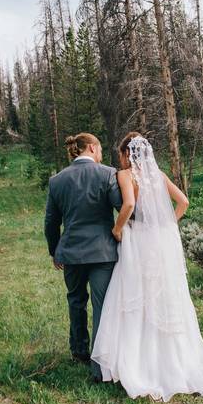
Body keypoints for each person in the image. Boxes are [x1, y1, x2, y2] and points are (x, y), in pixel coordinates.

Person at [90, 132, 203, 401]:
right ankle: (171, 359)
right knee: (162, 296)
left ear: (126, 154)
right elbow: (183, 202)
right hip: (158, 242)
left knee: (134, 296)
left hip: (137, 242)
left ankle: (138, 361)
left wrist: (117, 228)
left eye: (121, 154)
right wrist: (166, 225)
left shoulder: (125, 176)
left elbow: (130, 204)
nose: (120, 159)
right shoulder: (157, 175)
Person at [44, 133, 123, 381]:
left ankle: (79, 351)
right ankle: (100, 364)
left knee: (76, 300)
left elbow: (51, 222)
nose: (101, 153)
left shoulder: (57, 180)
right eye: (99, 148)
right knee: (102, 305)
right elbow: (122, 206)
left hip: (72, 252)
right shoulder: (107, 173)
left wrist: (54, 250)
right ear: (91, 147)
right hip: (103, 252)